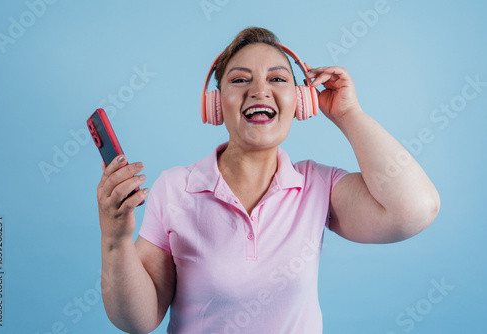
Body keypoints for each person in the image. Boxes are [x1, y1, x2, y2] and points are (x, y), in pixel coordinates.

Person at [96, 27, 440, 334]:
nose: (259, 91)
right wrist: (115, 239)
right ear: (215, 104)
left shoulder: (317, 185)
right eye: (240, 79)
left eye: (277, 79)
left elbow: (415, 209)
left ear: (300, 100)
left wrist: (349, 114)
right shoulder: (175, 188)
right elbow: (137, 321)